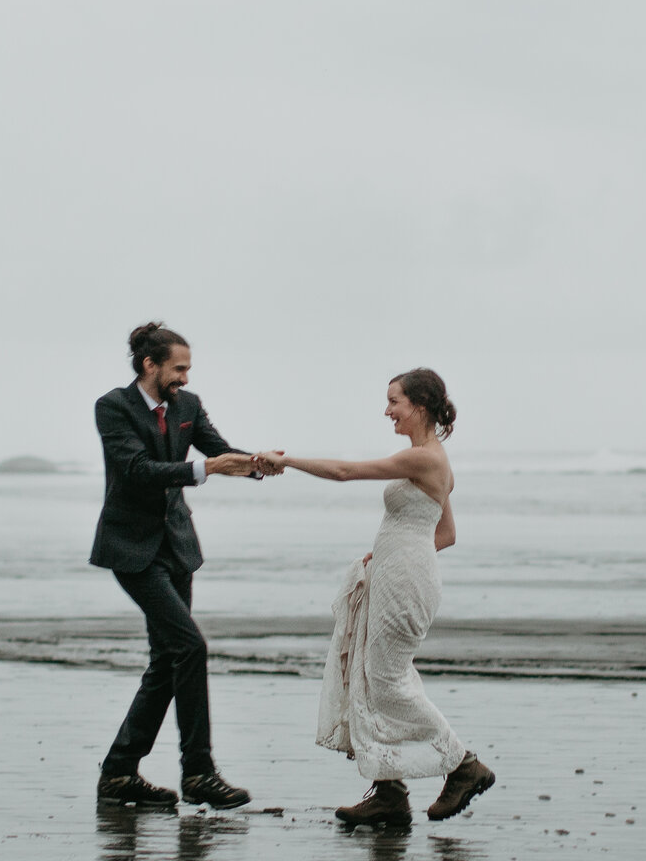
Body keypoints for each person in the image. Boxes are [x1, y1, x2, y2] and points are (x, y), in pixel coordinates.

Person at [267, 368, 496, 827]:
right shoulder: (430, 458)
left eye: (394, 401)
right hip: (398, 572)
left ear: (421, 406)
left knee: (387, 680)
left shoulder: (426, 459)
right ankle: (388, 793)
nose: (387, 409)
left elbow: (345, 471)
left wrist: (286, 460)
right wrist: (395, 550)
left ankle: (463, 765)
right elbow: (446, 534)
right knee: (372, 679)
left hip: (406, 582)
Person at [90, 321, 277, 809]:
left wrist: (263, 461)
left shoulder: (188, 408)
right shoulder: (113, 407)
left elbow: (220, 451)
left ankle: (117, 774)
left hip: (177, 546)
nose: (186, 379)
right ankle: (199, 772)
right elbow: (135, 471)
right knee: (190, 646)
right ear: (149, 365)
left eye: (188, 369)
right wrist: (208, 470)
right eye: (178, 369)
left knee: (168, 659)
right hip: (131, 549)